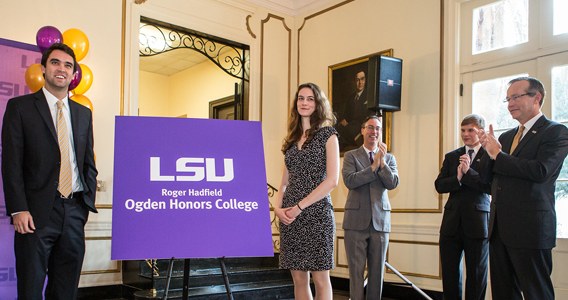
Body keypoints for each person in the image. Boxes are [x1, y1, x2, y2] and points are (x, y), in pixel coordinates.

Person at [2, 43, 98, 299]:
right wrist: (19, 208)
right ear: (44, 68)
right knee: (31, 288)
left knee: (65, 289)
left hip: (74, 211)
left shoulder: (83, 114)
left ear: (73, 73)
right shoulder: (20, 107)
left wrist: (85, 204)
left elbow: (88, 162)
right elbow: (11, 162)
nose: (62, 69)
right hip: (34, 214)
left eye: (68, 65)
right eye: (55, 62)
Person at [478, 76, 568, 300]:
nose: (510, 104)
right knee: (503, 292)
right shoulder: (507, 136)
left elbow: (541, 172)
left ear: (536, 98)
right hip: (499, 230)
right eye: (507, 99)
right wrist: (487, 154)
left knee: (536, 293)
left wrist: (498, 155)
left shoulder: (556, 132)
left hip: (531, 230)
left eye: (516, 97)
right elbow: (491, 180)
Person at [274, 82, 339, 300]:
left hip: (317, 214)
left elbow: (332, 181)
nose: (304, 102)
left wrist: (300, 207)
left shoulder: (328, 135)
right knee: (299, 279)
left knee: (321, 279)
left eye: (310, 98)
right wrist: (278, 208)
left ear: (318, 103)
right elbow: (284, 182)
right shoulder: (291, 140)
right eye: (301, 98)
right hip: (290, 217)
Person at [342, 115, 399, 300]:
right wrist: (373, 167)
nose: (374, 132)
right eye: (370, 127)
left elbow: (392, 184)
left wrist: (382, 164)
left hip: (380, 223)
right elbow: (350, 181)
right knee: (356, 275)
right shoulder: (351, 156)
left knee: (377, 275)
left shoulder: (389, 158)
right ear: (362, 130)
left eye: (378, 129)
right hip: (355, 223)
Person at [435, 114, 490, 300]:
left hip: (477, 224)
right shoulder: (452, 156)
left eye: (470, 130)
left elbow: (488, 186)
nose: (465, 134)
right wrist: (457, 178)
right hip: (451, 224)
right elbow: (439, 185)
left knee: (476, 274)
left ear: (480, 131)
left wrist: (468, 172)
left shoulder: (490, 155)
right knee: (450, 275)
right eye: (463, 130)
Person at [337, 70, 369, 151]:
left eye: (362, 79)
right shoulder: (351, 98)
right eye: (357, 80)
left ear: (365, 80)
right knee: (338, 128)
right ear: (354, 81)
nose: (360, 82)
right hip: (351, 126)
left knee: (351, 130)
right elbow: (346, 115)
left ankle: (353, 142)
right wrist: (344, 121)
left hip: (361, 126)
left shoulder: (369, 96)